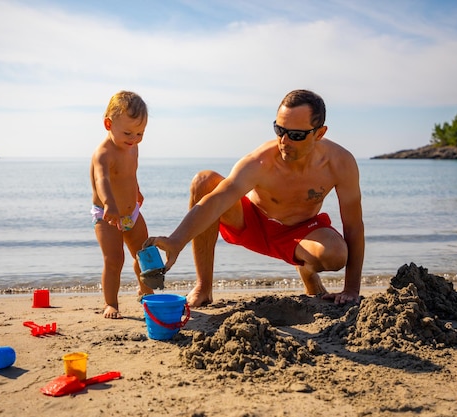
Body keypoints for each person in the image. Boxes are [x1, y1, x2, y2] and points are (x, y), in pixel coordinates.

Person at [145, 89, 365, 307]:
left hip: (300, 233)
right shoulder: (260, 162)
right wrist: (176, 240)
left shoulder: (340, 163)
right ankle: (203, 287)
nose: (284, 141)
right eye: (279, 130)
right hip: (251, 224)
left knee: (335, 255)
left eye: (296, 135)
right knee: (204, 181)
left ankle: (307, 272)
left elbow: (353, 225)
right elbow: (217, 200)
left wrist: (351, 289)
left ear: (319, 134)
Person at [90, 91, 154, 319]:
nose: (134, 138)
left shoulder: (132, 147)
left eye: (140, 133)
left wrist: (136, 191)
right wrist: (109, 204)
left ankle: (146, 292)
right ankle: (111, 304)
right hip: (107, 215)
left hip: (132, 213)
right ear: (108, 124)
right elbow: (102, 180)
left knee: (145, 253)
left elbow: (130, 173)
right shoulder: (104, 154)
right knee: (114, 259)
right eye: (128, 132)